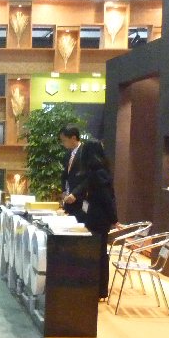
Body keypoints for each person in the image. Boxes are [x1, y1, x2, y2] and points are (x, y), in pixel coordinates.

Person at [59, 124, 119, 299]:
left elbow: (107, 199)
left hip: (99, 219)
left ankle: (100, 290)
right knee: (96, 252)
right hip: (95, 217)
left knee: (99, 253)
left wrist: (114, 219)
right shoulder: (96, 172)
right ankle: (96, 288)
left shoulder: (99, 173)